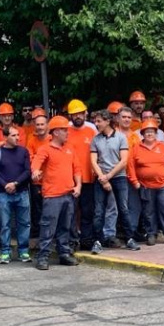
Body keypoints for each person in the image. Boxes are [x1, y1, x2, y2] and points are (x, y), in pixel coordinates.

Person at [31, 115, 82, 270]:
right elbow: (36, 163)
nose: (67, 132)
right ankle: (43, 256)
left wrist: (78, 185)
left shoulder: (70, 148)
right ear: (56, 132)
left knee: (65, 227)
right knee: (48, 227)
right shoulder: (45, 148)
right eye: (64, 130)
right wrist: (35, 172)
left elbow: (77, 169)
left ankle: (64, 254)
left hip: (68, 194)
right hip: (52, 195)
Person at [127, 118, 164, 245]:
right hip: (145, 186)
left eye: (152, 131)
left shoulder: (163, 147)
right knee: (149, 212)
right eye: (147, 132)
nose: (150, 134)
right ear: (142, 134)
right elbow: (131, 166)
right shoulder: (136, 148)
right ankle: (151, 234)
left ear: (156, 133)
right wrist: (134, 181)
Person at [90, 109, 133, 252]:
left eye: (98, 121)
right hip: (101, 177)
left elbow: (124, 161)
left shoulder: (121, 137)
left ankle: (129, 238)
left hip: (118, 177)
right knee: (99, 210)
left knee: (123, 208)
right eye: (95, 121)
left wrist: (108, 176)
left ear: (107, 121)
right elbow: (94, 161)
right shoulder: (96, 139)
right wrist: (102, 178)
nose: (96, 124)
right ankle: (97, 240)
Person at [0, 125, 32, 263]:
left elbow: (27, 171)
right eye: (13, 135)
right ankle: (5, 252)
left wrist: (15, 183)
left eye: (18, 135)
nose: (17, 138)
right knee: (5, 223)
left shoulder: (23, 151)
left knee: (24, 223)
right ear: (5, 137)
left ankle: (23, 251)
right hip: (3, 193)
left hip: (22, 192)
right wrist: (5, 184)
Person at [66, 99, 97, 249]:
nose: (78, 116)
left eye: (80, 113)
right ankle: (72, 241)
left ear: (85, 113)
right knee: (71, 212)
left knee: (87, 211)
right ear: (70, 116)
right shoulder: (65, 131)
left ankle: (86, 240)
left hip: (89, 178)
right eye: (74, 114)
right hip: (70, 179)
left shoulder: (92, 130)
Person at [25, 111, 50, 240]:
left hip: (50, 180)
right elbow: (29, 157)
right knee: (36, 208)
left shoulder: (51, 139)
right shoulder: (31, 140)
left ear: (47, 125)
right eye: (37, 124)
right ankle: (36, 234)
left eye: (42, 124)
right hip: (36, 180)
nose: (40, 127)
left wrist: (39, 158)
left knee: (50, 208)